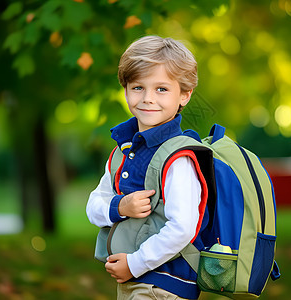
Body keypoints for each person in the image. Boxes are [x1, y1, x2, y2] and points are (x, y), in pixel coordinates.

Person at [86, 35, 204, 299]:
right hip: (134, 281)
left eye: (162, 89)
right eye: (138, 87)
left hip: (164, 285)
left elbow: (183, 227)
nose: (148, 98)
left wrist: (134, 264)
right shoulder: (123, 150)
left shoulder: (178, 156)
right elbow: (93, 206)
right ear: (126, 89)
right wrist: (120, 207)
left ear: (184, 95)